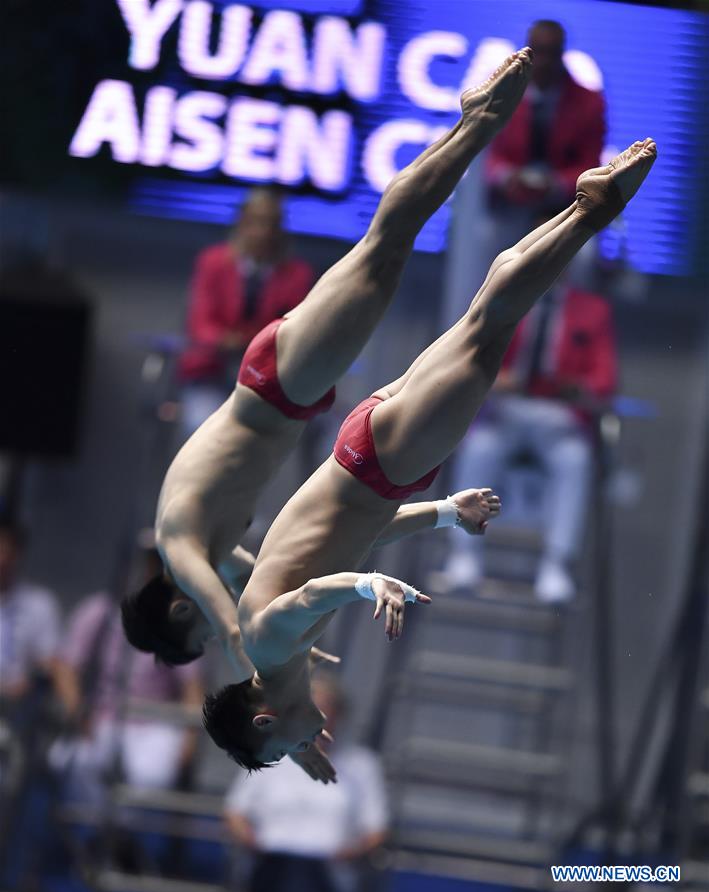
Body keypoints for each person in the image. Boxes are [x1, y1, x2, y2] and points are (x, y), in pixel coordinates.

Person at [202, 139, 657, 779]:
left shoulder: (269, 641)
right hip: (367, 454)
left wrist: (371, 585)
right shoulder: (276, 664)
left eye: (286, 746)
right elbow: (355, 539)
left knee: (489, 333)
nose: (313, 741)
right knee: (481, 323)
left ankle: (589, 213)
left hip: (381, 463)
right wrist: (444, 512)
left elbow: (312, 592)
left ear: (265, 718)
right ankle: (579, 204)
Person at [122, 51, 533, 682]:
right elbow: (261, 582)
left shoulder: (179, 547)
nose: (210, 629)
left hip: (275, 389)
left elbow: (234, 629)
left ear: (179, 608)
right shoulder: (207, 547)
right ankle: (472, 127)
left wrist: (268, 681)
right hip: (284, 389)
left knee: (384, 246)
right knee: (385, 251)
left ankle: (474, 124)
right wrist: (298, 639)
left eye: (195, 635)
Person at [434, 267, 618, 603]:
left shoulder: (592, 310)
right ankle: (464, 554)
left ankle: (557, 563)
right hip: (505, 409)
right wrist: (494, 378)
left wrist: (577, 388)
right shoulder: (504, 297)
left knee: (575, 460)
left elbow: (604, 382)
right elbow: (469, 356)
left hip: (559, 416)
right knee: (478, 449)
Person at [53, 547, 204, 805]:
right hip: (102, 719)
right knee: (70, 761)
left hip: (154, 724)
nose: (144, 574)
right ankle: (89, 835)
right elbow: (66, 667)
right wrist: (78, 714)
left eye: (153, 567)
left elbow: (193, 686)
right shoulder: (98, 610)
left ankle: (123, 837)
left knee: (151, 776)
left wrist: (190, 739)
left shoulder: (177, 620)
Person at [224, 674, 387, 892]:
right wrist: (252, 842)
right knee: (288, 875)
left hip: (330, 870)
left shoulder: (361, 766)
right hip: (272, 860)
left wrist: (349, 854)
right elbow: (235, 811)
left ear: (339, 716)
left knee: (302, 879)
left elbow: (376, 830)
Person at [178, 188, 315, 436]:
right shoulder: (212, 262)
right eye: (257, 222)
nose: (265, 232)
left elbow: (294, 330)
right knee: (200, 428)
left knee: (290, 430)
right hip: (210, 371)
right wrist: (228, 341)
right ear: (241, 223)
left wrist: (252, 344)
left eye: (273, 224)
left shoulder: (297, 274)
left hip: (267, 379)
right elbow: (200, 325)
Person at [485, 20, 606, 248]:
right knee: (486, 240)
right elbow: (487, 155)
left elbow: (591, 165)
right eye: (538, 52)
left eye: (551, 53)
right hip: (508, 206)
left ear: (562, 54)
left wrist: (556, 185)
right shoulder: (501, 93)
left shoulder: (590, 103)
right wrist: (506, 177)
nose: (543, 62)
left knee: (585, 258)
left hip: (564, 209)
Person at [0, 518, 77, 723]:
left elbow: (53, 662)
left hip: (17, 712)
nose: (2, 560)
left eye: (7, 551)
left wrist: (74, 711)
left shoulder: (39, 605)